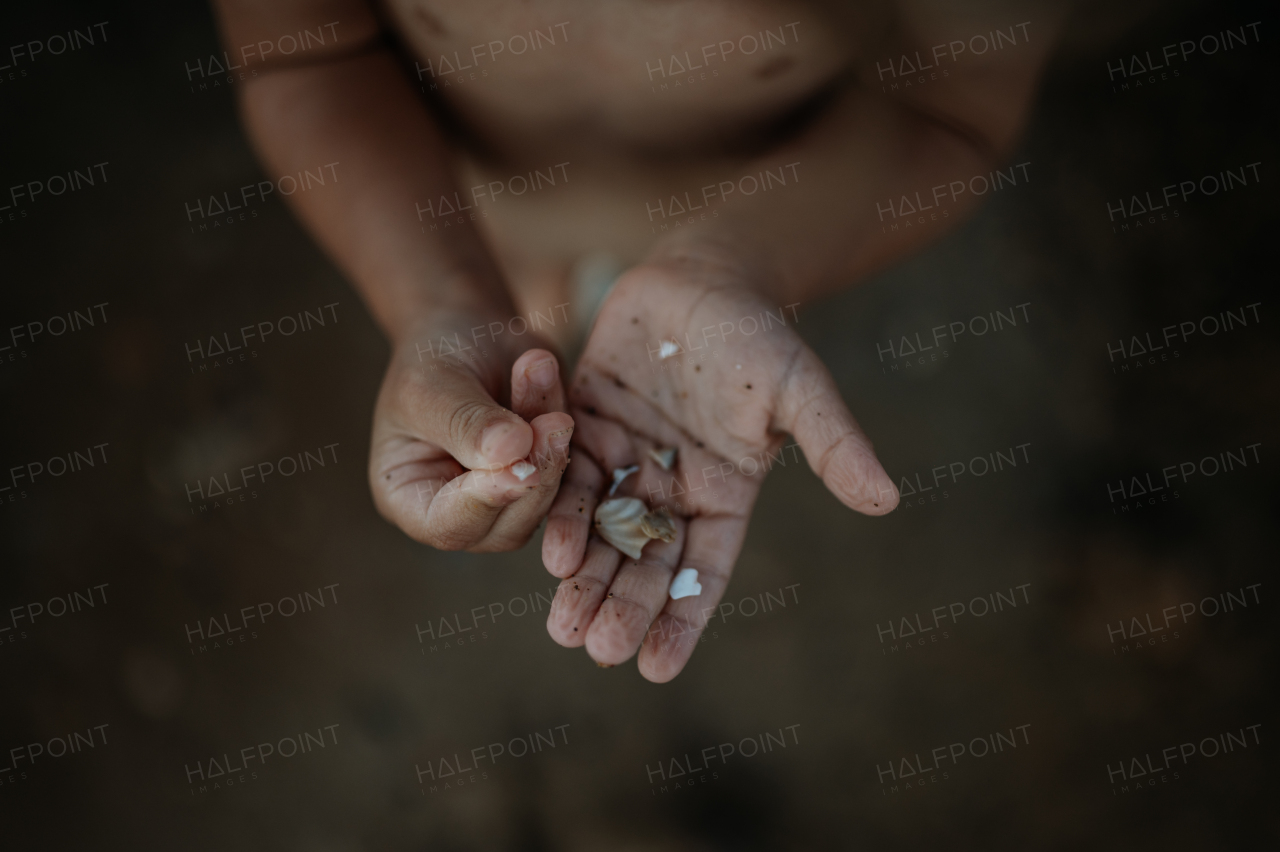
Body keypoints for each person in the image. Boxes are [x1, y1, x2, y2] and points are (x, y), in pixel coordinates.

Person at [210, 0, 1063, 680]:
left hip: (755, 217)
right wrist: (443, 296)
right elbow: (303, 53)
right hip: (474, 205)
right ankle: (523, 298)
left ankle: (636, 295)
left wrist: (741, 263)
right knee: (529, 351)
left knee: (565, 365)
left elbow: (948, 107)